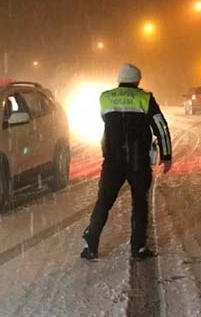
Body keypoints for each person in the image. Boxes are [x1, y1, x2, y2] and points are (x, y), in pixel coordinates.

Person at [81, 63, 172, 262]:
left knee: (104, 201)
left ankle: (92, 239)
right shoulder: (144, 98)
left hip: (113, 160)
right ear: (138, 80)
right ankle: (138, 246)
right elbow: (161, 127)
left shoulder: (105, 97)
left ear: (119, 79)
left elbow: (105, 118)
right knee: (140, 202)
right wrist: (166, 156)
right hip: (138, 160)